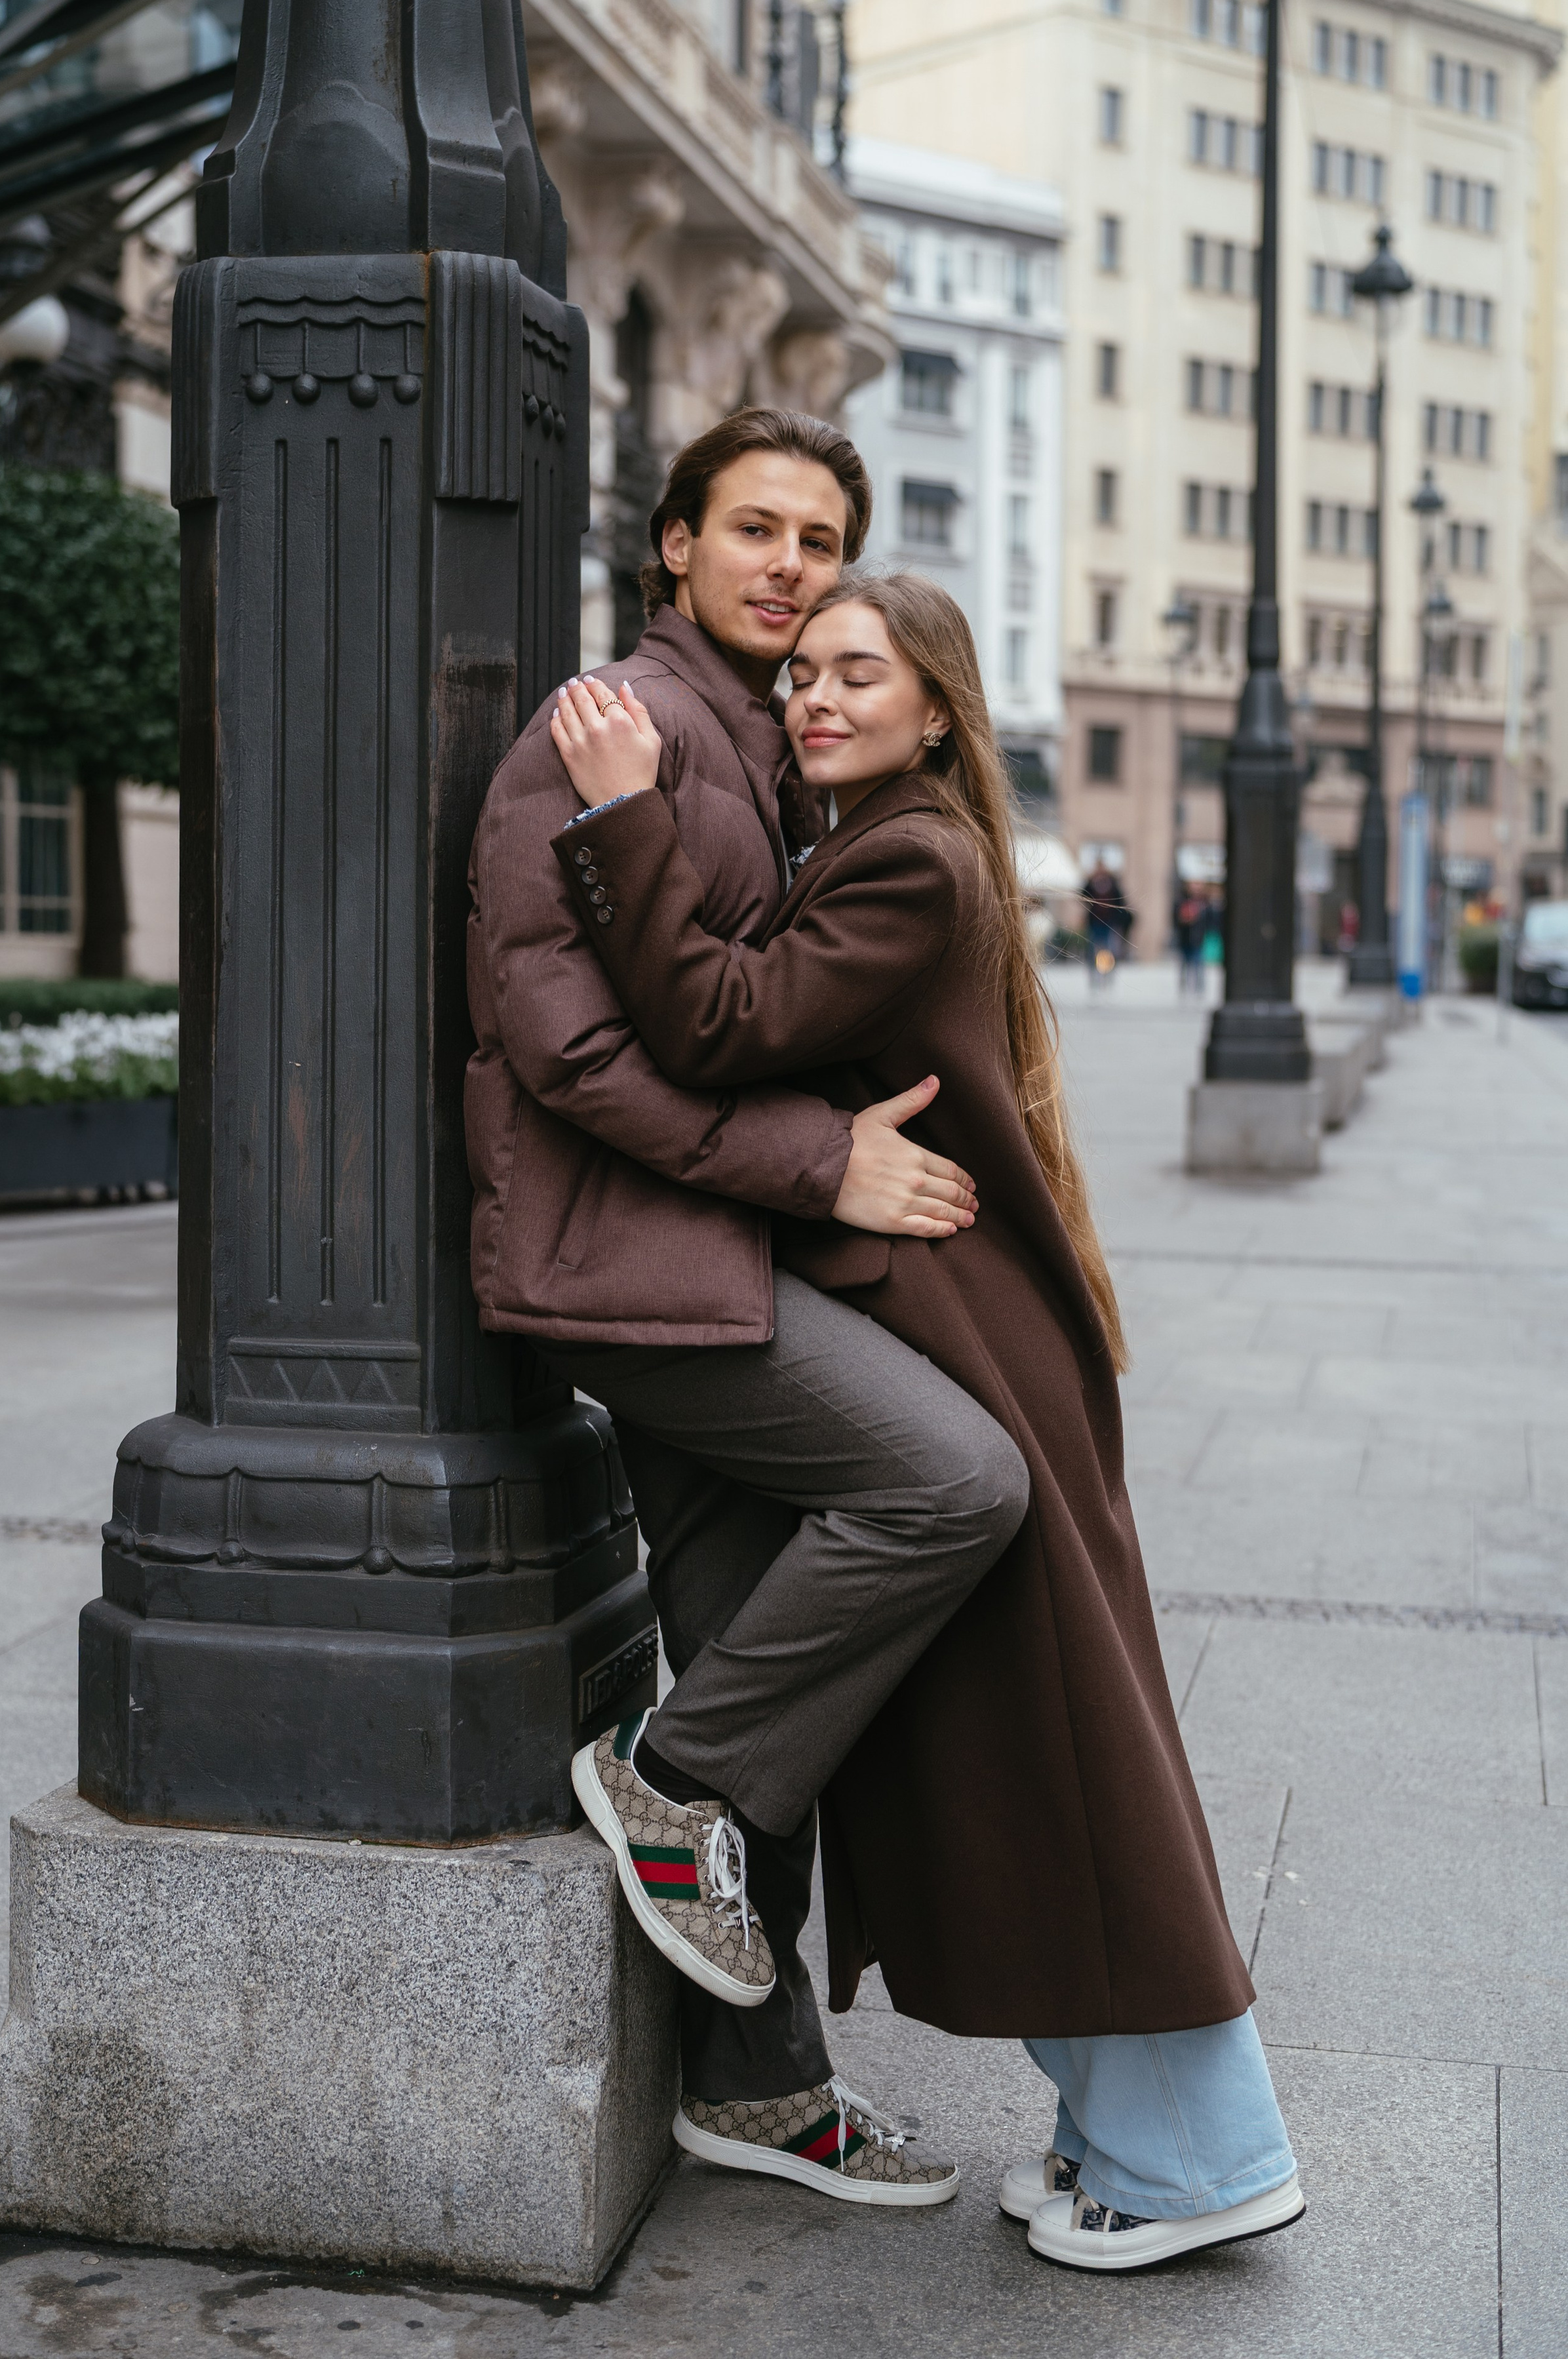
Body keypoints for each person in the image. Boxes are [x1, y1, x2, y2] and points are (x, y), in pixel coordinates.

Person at [546, 570, 1303, 2273]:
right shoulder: (888, 848)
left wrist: (619, 820)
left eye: (857, 676)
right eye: (802, 672)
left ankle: (1202, 2162)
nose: (815, 696)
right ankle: (1123, 2139)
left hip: (979, 1354)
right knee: (1028, 1748)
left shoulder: (906, 855)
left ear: (939, 708)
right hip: (968, 1339)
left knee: (1073, 1757)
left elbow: (719, 1022)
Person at [467, 406, 1020, 2209]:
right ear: (674, 550)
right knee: (953, 1486)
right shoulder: (605, 740)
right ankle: (664, 1776)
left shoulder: (765, 750)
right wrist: (818, 1167)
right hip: (625, 1274)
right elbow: (570, 1056)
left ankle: (759, 2088)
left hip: (707, 1271)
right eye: (755, 531)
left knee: (766, 1661)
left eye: (817, 540)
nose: (787, 565)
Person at [1082, 859, 1127, 983]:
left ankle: (1107, 975)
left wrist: (1118, 920)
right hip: (1094, 922)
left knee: (1108, 950)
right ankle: (1094, 977)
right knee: (1093, 951)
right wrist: (1090, 880)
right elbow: (1082, 894)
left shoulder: (1112, 883)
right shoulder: (1092, 883)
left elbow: (1120, 900)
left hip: (1109, 922)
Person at [1175, 883, 1207, 995]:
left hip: (1198, 939)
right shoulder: (1181, 902)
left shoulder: (1203, 904)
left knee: (1199, 964)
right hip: (1185, 938)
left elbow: (1207, 921)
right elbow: (1175, 920)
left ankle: (1199, 988)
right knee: (1185, 964)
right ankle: (1184, 987)